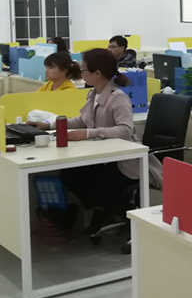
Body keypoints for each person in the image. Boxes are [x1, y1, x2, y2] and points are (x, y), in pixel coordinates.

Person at [29, 48, 160, 234]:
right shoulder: (93, 93)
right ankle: (102, 211)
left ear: (97, 73)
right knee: (69, 176)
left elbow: (125, 129)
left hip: (125, 161)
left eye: (84, 69)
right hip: (104, 157)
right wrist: (49, 125)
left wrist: (88, 133)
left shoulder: (117, 97)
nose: (81, 73)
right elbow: (83, 120)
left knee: (95, 185)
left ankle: (131, 215)